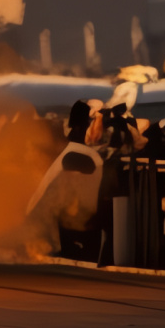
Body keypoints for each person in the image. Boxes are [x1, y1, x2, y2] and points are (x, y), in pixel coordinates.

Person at [26, 100, 105, 261]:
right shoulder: (79, 155)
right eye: (92, 120)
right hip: (55, 232)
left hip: (50, 227)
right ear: (85, 125)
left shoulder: (68, 151)